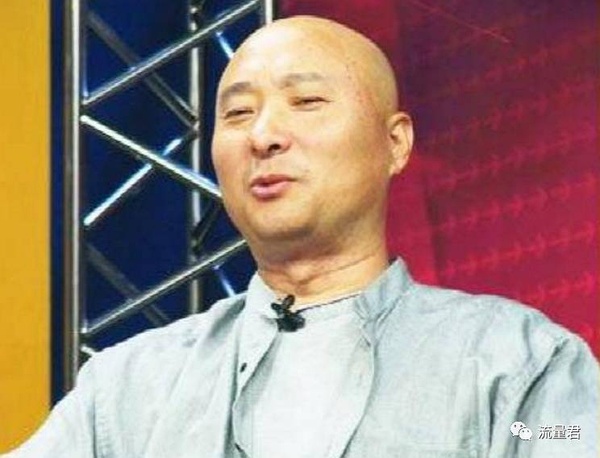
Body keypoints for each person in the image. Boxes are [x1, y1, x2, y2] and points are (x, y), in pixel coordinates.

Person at [5, 15, 598, 458]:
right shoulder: (127, 389)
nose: (263, 135)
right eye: (238, 114)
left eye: (307, 101)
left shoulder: (519, 366)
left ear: (395, 143)